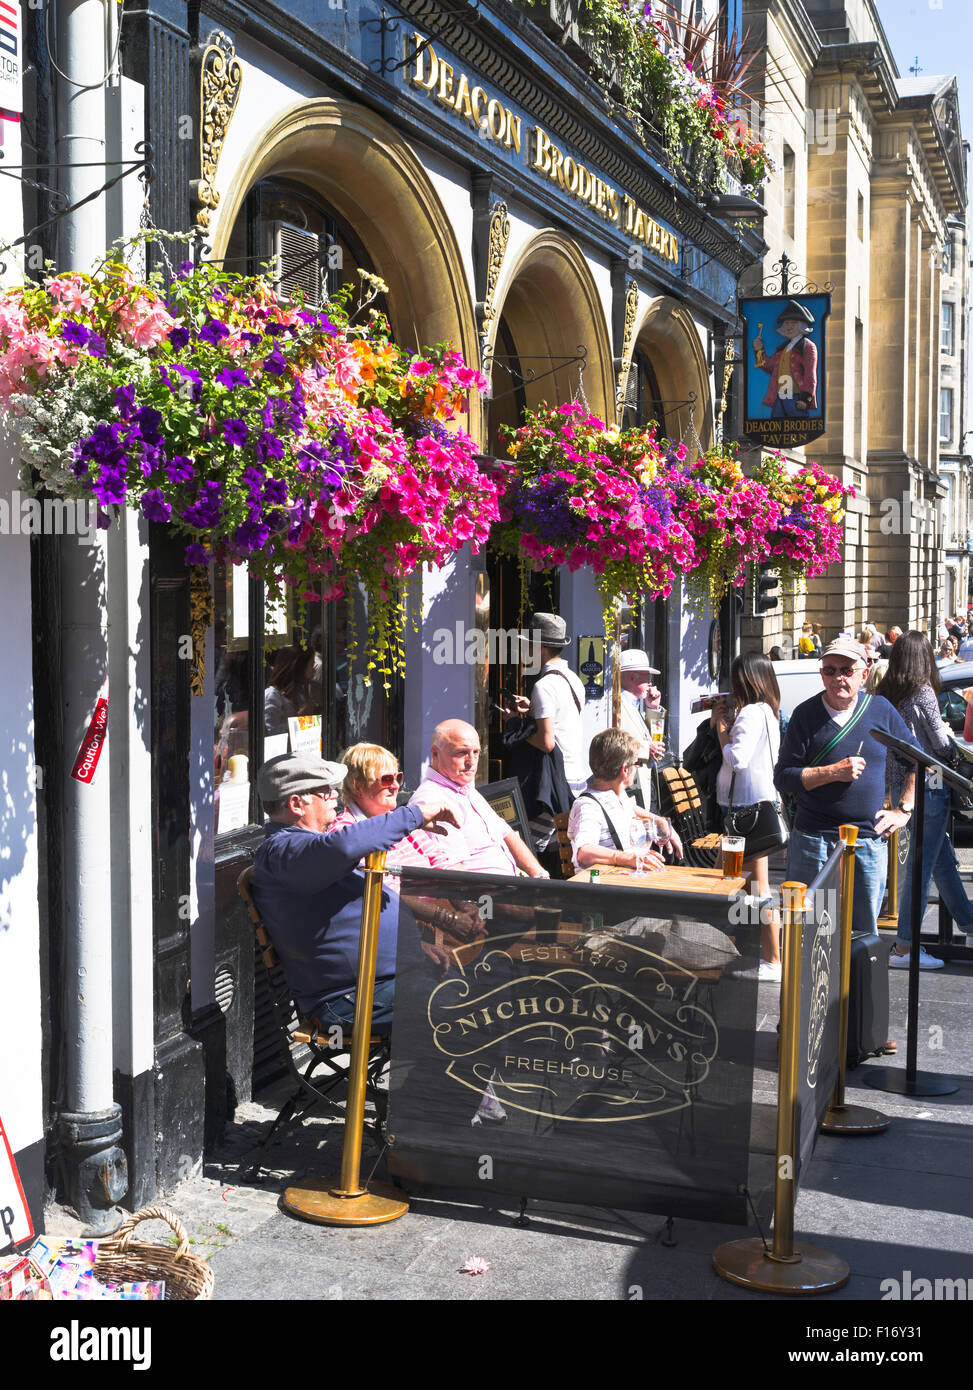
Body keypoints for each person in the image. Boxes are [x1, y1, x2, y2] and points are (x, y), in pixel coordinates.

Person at [249, 753, 459, 1033]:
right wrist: (414, 815)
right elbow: (344, 847)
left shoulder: (303, 850)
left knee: (493, 987)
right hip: (349, 999)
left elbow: (341, 918)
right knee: (475, 1006)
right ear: (296, 804)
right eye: (325, 791)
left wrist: (413, 949)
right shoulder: (283, 852)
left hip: (379, 983)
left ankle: (425, 1075)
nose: (334, 795)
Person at [774, 638, 918, 940]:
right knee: (806, 936)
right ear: (822, 673)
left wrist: (904, 808)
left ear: (864, 674)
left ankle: (856, 990)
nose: (838, 677)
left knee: (862, 937)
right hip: (813, 842)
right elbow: (784, 778)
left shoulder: (879, 709)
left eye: (846, 670)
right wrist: (831, 773)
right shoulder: (805, 714)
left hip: (865, 842)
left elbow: (916, 759)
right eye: (830, 670)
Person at [877, 632, 973, 967]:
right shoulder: (923, 691)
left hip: (899, 786)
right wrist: (947, 733)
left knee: (939, 860)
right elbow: (942, 746)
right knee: (921, 868)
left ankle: (970, 924)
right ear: (924, 657)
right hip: (929, 785)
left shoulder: (887, 691)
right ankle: (904, 947)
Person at [711, 653, 783, 980]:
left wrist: (722, 731)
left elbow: (737, 759)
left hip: (744, 812)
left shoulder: (752, 714)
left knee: (738, 884)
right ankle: (742, 950)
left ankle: (771, 959)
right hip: (753, 807)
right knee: (737, 883)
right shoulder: (767, 711)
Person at [407, 719, 549, 877]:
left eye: (476, 752)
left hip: (509, 888)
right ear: (435, 754)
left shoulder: (465, 789)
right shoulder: (432, 799)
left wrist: (541, 875)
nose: (471, 762)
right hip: (485, 896)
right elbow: (454, 873)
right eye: (462, 753)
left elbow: (506, 834)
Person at [568, 729, 672, 872]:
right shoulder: (589, 806)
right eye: (637, 763)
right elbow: (584, 852)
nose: (637, 767)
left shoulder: (618, 796)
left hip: (625, 883)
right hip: (603, 888)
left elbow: (630, 807)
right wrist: (627, 858)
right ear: (625, 770)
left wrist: (658, 820)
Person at [508, 612, 589, 796]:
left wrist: (516, 725)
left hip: (556, 779)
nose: (525, 649)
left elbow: (546, 742)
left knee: (540, 826)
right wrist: (534, 708)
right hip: (576, 774)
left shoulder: (544, 686)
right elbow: (562, 717)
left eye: (528, 643)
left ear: (541, 647)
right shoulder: (573, 679)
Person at [616, 648, 666, 809]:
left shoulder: (634, 704)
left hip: (645, 783)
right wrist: (646, 749)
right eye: (647, 678)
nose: (651, 683)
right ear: (632, 677)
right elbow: (615, 742)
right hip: (630, 786)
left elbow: (656, 739)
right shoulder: (617, 706)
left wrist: (653, 709)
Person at [753, 299, 818, 419]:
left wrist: (806, 400)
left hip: (796, 398)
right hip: (780, 398)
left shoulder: (807, 346)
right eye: (787, 323)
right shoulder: (783, 348)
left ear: (801, 326)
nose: (789, 327)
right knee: (775, 431)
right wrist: (759, 350)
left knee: (797, 432)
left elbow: (810, 375)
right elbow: (768, 365)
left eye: (793, 323)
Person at [264, 645, 313, 736]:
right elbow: (271, 732)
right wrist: (299, 719)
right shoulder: (272, 697)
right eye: (311, 665)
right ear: (299, 668)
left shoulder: (300, 693)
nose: (313, 669)